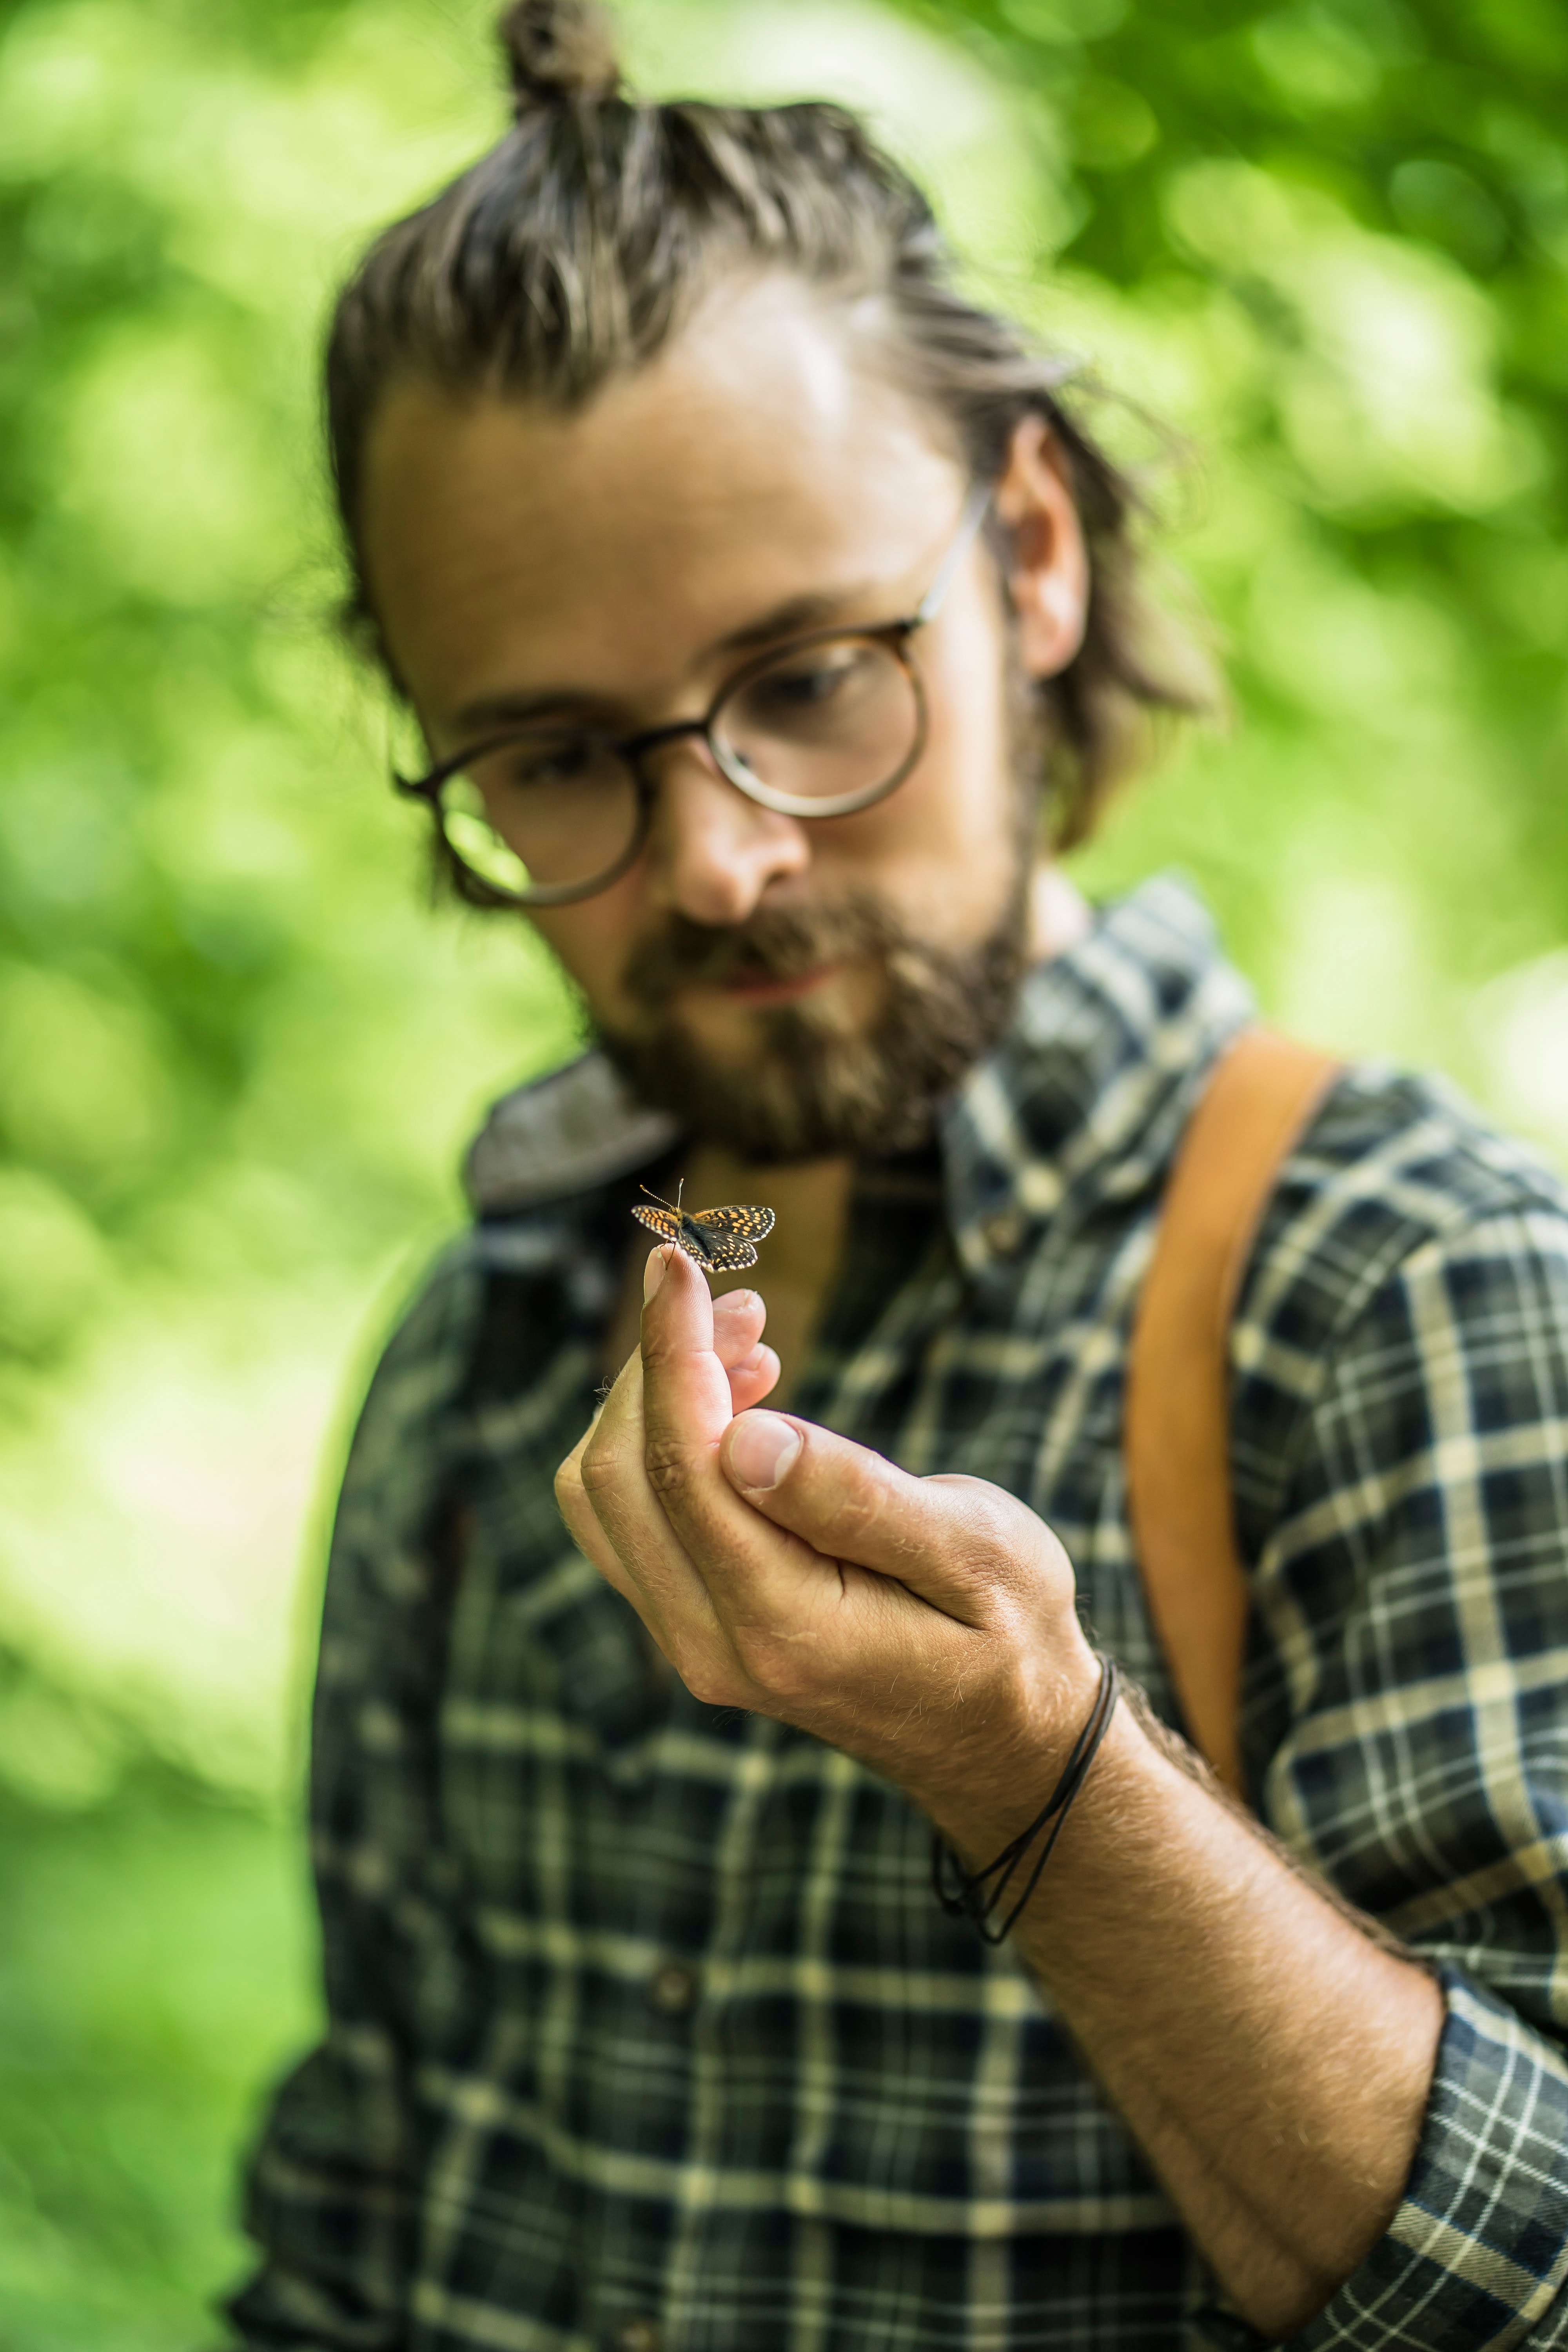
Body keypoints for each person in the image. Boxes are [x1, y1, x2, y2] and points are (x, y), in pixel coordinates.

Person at [227, 5, 1568, 2347]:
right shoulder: (478, 1351)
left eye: (818, 675)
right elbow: (362, 2213)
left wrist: (1042, 1780)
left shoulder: (1406, 1289)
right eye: (551, 754)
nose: (725, 864)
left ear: (1031, 554)